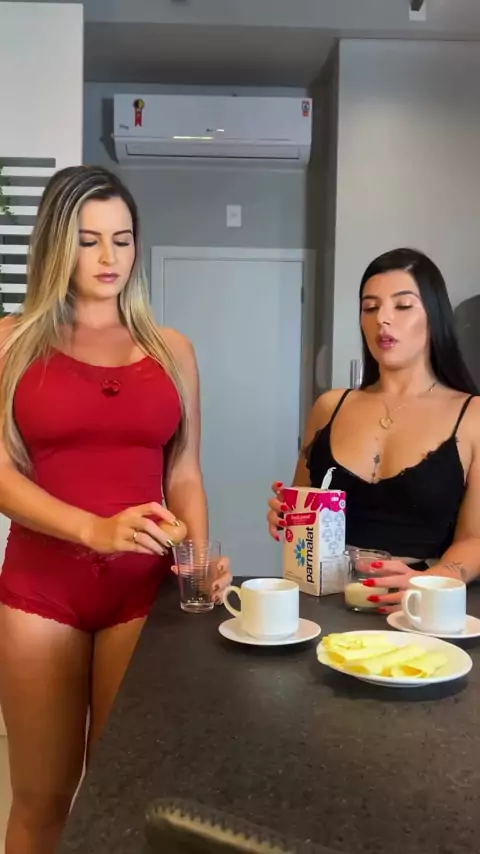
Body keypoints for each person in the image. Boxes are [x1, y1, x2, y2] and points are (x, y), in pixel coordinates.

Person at [0, 165, 232, 854]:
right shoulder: (10, 341)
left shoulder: (172, 350)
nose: (109, 257)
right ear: (56, 245)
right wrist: (93, 529)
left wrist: (193, 564)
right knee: (41, 801)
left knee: (124, 795)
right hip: (41, 593)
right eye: (88, 240)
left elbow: (184, 472)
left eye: (122, 239)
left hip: (142, 594)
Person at [267, 248, 480, 608]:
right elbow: (305, 508)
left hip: (417, 606)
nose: (382, 318)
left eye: (403, 305)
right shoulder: (329, 408)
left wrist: (432, 583)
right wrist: (288, 516)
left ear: (434, 315)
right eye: (370, 307)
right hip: (323, 600)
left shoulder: (472, 415)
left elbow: (475, 538)